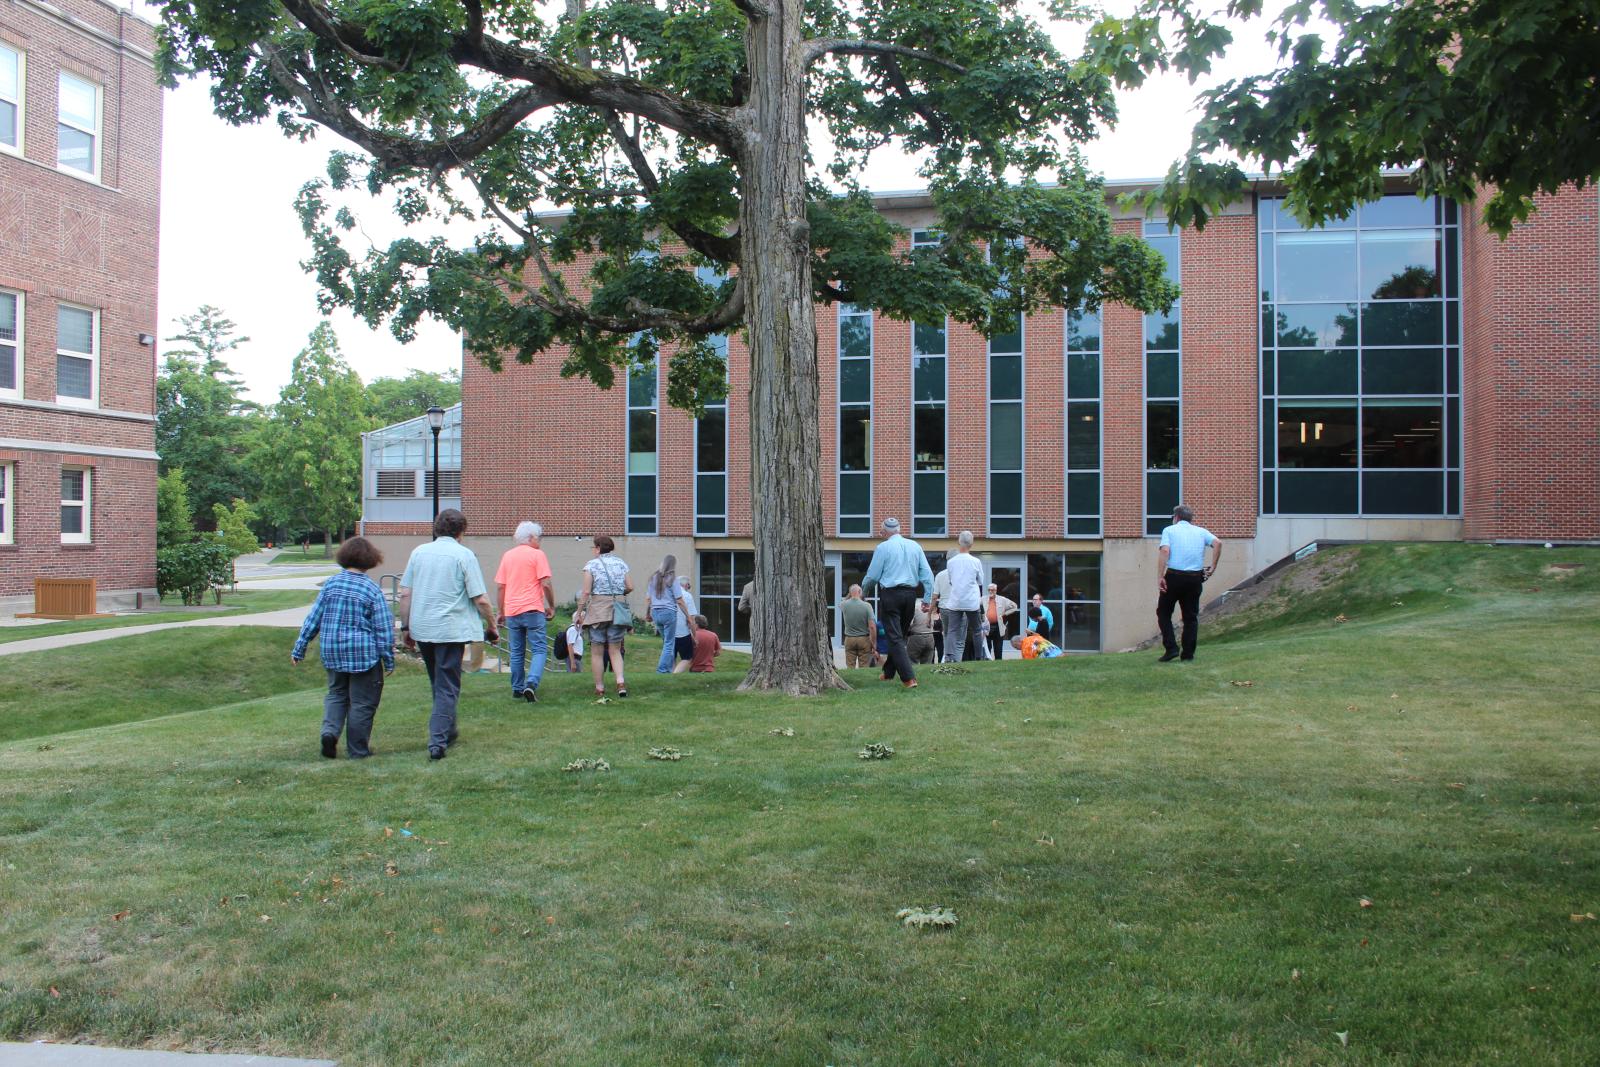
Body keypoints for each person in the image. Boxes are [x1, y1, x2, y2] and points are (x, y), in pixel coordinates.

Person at [397, 509, 498, 761]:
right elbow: (480, 598)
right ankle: (438, 741)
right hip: (450, 630)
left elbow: (406, 593)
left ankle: (448, 730)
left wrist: (406, 627)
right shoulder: (464, 555)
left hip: (423, 628)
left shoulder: (418, 553)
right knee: (447, 686)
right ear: (461, 531)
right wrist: (492, 625)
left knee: (438, 682)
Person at [291, 536, 395, 760]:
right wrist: (388, 658)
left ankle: (329, 733)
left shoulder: (330, 585)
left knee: (336, 694)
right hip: (363, 656)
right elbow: (383, 628)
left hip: (332, 652)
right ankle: (357, 750)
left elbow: (314, 618)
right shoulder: (371, 590)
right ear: (370, 560)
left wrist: (300, 647)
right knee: (362, 702)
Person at [861, 517, 935, 689]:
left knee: (895, 638)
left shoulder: (883, 548)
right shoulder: (915, 546)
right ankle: (888, 672)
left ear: (885, 532)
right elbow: (927, 575)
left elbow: (872, 576)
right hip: (910, 595)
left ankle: (909, 678)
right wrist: (926, 598)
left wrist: (864, 592)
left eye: (881, 531)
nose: (880, 534)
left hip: (891, 595)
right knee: (899, 636)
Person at [494, 520, 555, 703]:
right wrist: (552, 605)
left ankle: (517, 688)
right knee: (539, 649)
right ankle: (532, 683)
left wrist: (501, 611)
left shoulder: (507, 556)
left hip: (512, 610)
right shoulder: (538, 555)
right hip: (533, 609)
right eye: (538, 537)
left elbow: (501, 587)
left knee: (516, 651)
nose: (540, 541)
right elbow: (546, 583)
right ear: (530, 538)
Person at [1155, 503, 1223, 662]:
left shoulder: (1169, 530)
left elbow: (1165, 550)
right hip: (1194, 578)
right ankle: (1187, 655)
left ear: (1176, 517)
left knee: (1164, 612)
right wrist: (1213, 566)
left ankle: (1171, 648)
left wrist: (1160, 576)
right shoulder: (1201, 531)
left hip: (1174, 576)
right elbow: (1218, 543)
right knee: (1190, 617)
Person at [575, 535, 633, 696]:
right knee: (615, 649)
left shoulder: (591, 565)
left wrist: (579, 613)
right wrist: (618, 593)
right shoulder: (621, 563)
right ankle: (620, 683)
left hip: (598, 611)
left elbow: (586, 591)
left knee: (597, 652)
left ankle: (600, 688)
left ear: (598, 548)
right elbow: (630, 586)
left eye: (594, 547)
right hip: (617, 610)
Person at [935, 530, 985, 662]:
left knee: (952, 630)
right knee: (977, 630)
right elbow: (981, 581)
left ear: (959, 542)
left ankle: (949, 656)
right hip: (971, 601)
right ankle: (979, 657)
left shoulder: (951, 562)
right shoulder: (976, 561)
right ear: (972, 544)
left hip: (956, 600)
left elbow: (951, 581)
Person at [647, 555, 682, 675]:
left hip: (656, 612)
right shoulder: (672, 579)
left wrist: (648, 613)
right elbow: (679, 599)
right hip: (669, 612)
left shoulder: (653, 578)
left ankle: (668, 670)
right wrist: (688, 616)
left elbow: (649, 598)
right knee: (669, 643)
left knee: (667, 642)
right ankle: (661, 670)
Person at [840, 584, 876, 669]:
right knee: (864, 667)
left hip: (849, 639)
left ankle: (850, 678)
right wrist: (873, 643)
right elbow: (872, 626)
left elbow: (843, 601)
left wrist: (850, 594)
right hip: (864, 639)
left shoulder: (843, 604)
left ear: (850, 593)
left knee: (850, 667)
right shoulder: (867, 606)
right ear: (860, 592)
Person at [983, 583, 1019, 660]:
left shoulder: (1002, 599)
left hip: (998, 626)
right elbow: (975, 606)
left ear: (996, 590)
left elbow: (1014, 606)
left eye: (992, 590)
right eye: (989, 590)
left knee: (998, 648)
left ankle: (998, 662)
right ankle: (987, 662)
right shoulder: (983, 599)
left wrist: (1005, 613)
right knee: (987, 648)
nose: (990, 591)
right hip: (986, 626)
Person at [671, 576, 699, 674]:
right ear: (686, 585)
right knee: (687, 657)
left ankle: (671, 677)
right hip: (682, 632)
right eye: (689, 586)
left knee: (671, 656)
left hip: (669, 631)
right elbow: (691, 619)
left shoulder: (669, 594)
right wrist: (694, 636)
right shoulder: (687, 596)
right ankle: (675, 675)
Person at [908, 599, 937, 664]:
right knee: (927, 662)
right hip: (930, 637)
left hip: (916, 636)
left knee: (912, 661)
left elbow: (909, 624)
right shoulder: (932, 610)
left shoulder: (915, 610)